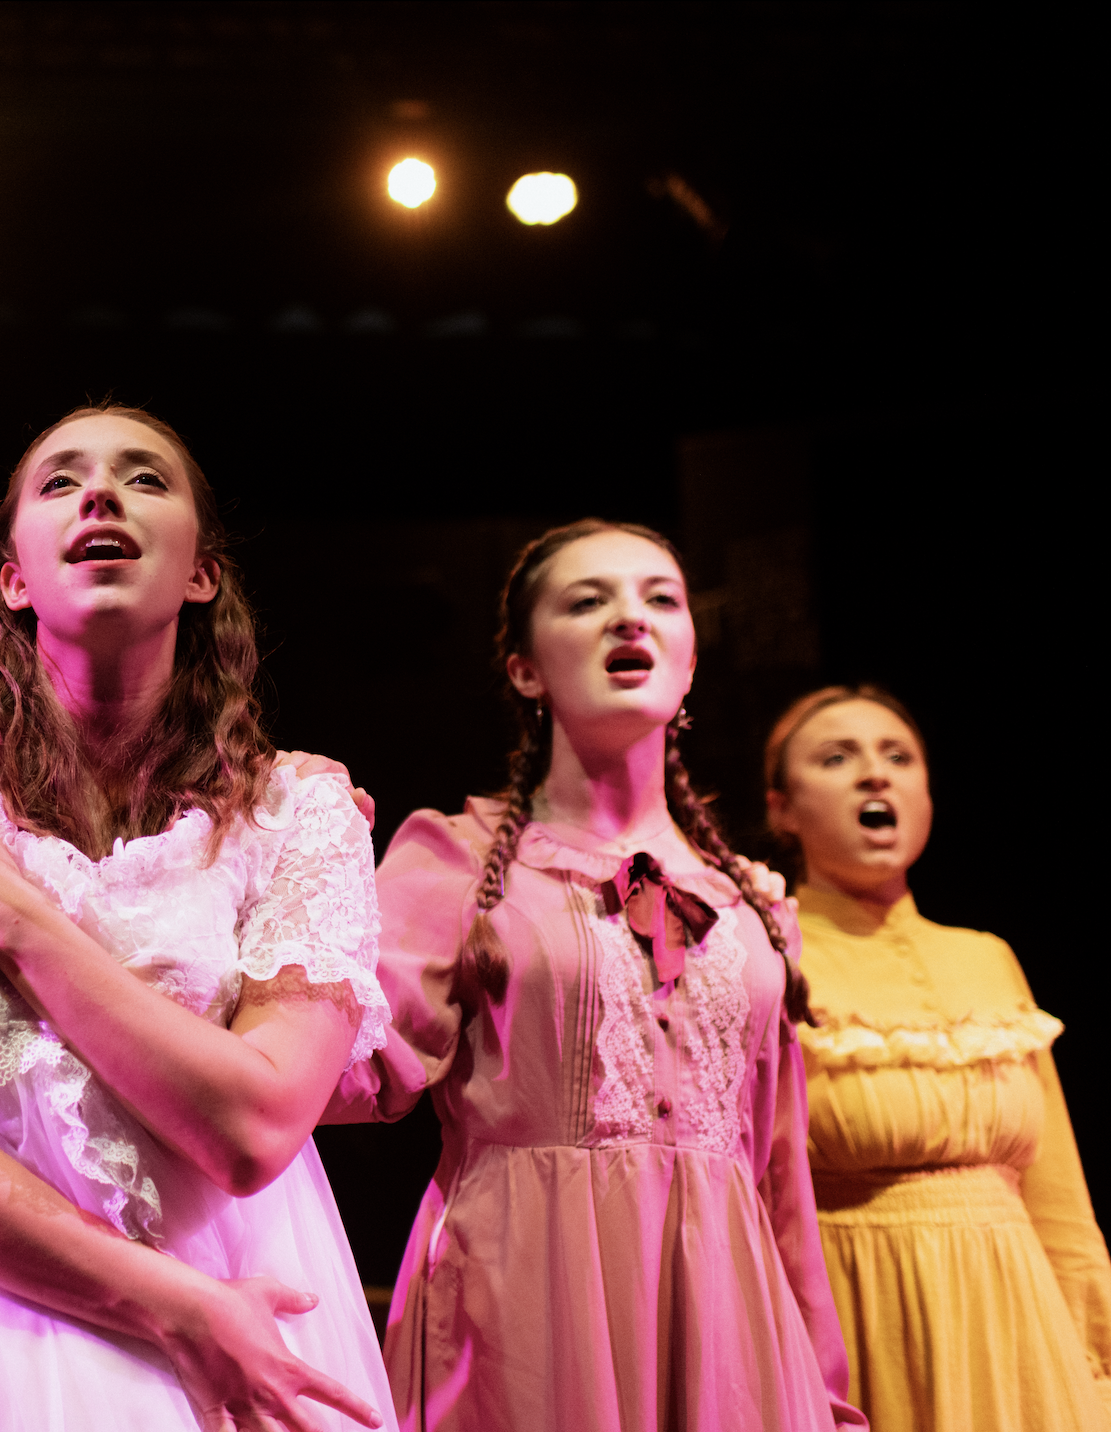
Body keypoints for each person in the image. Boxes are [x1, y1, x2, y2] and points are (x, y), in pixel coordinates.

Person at [0, 405, 397, 1432]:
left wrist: (1, 912)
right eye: (59, 483)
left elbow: (251, 1126)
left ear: (200, 571)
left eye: (144, 478)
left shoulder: (298, 813)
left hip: (236, 1310)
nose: (99, 493)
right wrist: (172, 1307)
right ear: (13, 578)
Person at [326, 519, 863, 1430]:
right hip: (525, 1313)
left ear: (691, 660)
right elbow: (337, 1079)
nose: (630, 619)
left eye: (661, 599)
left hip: (729, 1329)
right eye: (588, 601)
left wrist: (827, 1388)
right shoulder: (451, 862)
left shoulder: (754, 904)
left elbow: (778, 1176)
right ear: (525, 669)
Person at [765, 685, 1111, 1430]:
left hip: (1019, 1329)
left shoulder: (987, 958)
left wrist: (1098, 1364)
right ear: (782, 810)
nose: (874, 775)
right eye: (837, 758)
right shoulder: (763, 953)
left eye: (898, 757)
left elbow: (1058, 1198)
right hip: (860, 1323)